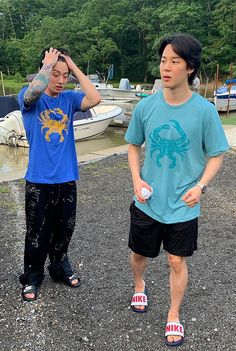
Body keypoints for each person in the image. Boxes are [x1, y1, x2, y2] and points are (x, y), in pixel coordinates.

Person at [125, 33, 229, 347]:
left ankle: (173, 314)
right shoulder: (147, 107)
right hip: (147, 200)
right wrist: (136, 179)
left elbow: (217, 154)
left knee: (176, 261)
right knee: (139, 253)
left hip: (184, 202)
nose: (166, 67)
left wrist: (201, 186)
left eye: (175, 61)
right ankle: (139, 285)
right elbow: (132, 145)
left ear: (190, 68)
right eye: (163, 60)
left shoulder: (204, 111)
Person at [18, 47, 101, 302]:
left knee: (64, 229)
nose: (61, 80)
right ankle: (32, 276)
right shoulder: (30, 97)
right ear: (45, 71)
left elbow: (95, 98)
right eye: (56, 74)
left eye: (65, 75)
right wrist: (47, 64)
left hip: (66, 178)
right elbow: (33, 92)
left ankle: (58, 266)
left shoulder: (69, 99)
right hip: (38, 181)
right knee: (37, 232)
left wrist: (74, 67)